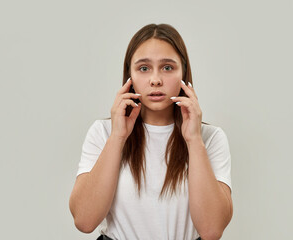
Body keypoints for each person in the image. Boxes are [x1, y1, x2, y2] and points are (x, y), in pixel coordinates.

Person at [69, 23, 233, 240]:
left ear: (184, 72)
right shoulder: (103, 132)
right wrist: (118, 137)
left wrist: (193, 140)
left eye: (167, 67)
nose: (156, 79)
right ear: (130, 75)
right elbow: (84, 220)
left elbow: (212, 230)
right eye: (144, 68)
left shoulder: (210, 138)